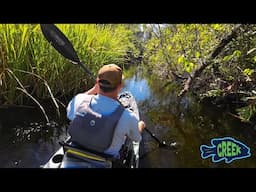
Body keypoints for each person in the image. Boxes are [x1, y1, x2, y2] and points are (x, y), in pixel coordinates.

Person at [66, 64, 145, 159]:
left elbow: (70, 110)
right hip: (106, 162)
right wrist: (140, 125)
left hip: (74, 152)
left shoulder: (79, 100)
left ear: (97, 82)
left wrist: (93, 90)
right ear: (120, 86)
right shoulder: (128, 116)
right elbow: (136, 138)